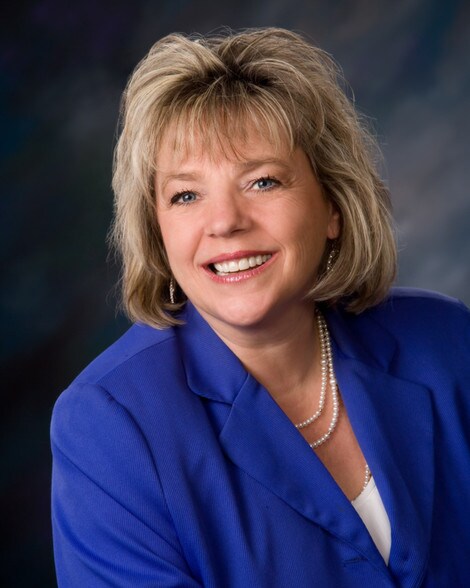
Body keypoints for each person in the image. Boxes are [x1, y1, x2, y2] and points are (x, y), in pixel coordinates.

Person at [50, 28, 470, 587]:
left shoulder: (446, 342)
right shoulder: (109, 427)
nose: (225, 222)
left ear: (333, 206)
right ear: (157, 230)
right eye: (186, 195)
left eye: (262, 181)